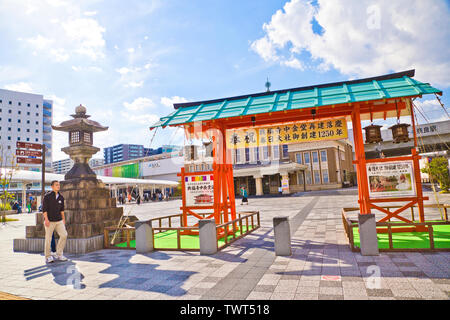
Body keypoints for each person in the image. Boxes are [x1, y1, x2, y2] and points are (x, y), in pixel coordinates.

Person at [42, 181, 68, 263]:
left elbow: (62, 210)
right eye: (56, 185)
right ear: (52, 187)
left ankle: (59, 254)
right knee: (48, 239)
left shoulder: (61, 197)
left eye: (59, 185)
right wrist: (46, 219)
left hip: (59, 220)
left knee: (64, 235)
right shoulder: (47, 196)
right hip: (49, 221)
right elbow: (44, 209)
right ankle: (48, 256)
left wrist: (63, 219)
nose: (58, 186)